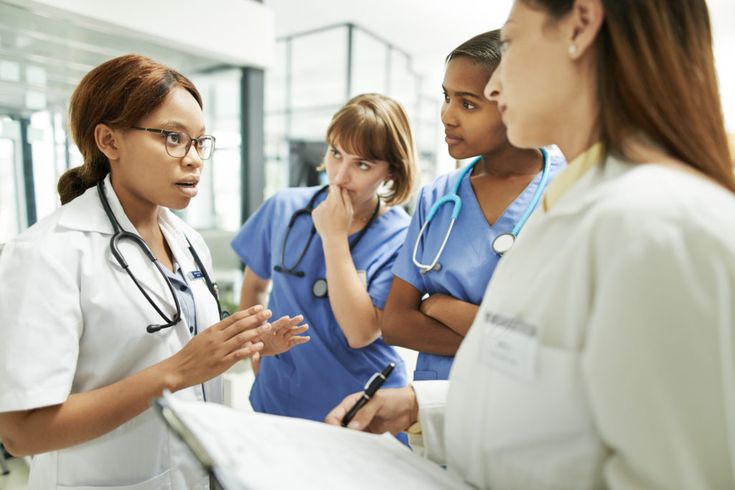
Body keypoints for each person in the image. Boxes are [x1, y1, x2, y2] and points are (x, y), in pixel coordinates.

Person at [327, 0, 735, 488]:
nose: (496, 84)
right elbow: (562, 402)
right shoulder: (574, 205)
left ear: (580, 25)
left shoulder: (665, 226)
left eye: (514, 42)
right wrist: (421, 407)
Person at [0, 54, 299, 489]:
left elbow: (179, 356)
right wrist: (178, 370)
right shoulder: (47, 253)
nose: (194, 159)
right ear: (109, 140)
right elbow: (21, 431)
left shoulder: (188, 242)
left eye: (200, 142)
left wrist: (235, 347)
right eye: (173, 138)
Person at [382, 30, 565, 381]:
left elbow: (554, 341)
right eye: (446, 97)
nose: (447, 116)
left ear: (517, 106)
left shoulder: (570, 193)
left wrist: (440, 306)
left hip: (528, 407)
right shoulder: (436, 198)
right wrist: (505, 345)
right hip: (436, 411)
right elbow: (395, 324)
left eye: (467, 104)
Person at [232, 93, 417, 421]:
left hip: (357, 405)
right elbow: (255, 288)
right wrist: (258, 355)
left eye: (362, 164)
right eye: (336, 154)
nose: (340, 176)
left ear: (391, 171)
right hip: (279, 396)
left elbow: (361, 333)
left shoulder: (401, 235)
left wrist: (334, 236)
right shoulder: (284, 208)